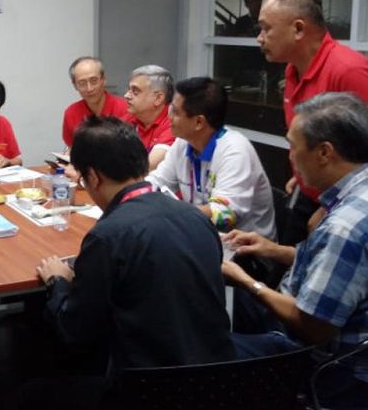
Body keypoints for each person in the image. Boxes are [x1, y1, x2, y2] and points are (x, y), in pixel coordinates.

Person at [29, 116, 233, 409]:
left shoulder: (108, 235)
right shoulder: (196, 218)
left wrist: (58, 281)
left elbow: (74, 330)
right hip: (221, 381)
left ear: (94, 178)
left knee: (31, 393)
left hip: (149, 390)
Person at [221, 92, 368, 409]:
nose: (290, 156)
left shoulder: (344, 226)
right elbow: (343, 271)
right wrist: (274, 250)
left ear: (325, 153)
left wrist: (247, 281)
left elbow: (315, 327)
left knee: (200, 347)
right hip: (315, 319)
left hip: (326, 363)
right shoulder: (359, 192)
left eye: (294, 145)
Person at [257, 0, 368, 244]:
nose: (259, 38)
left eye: (266, 28)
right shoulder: (292, 69)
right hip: (310, 192)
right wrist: (302, 172)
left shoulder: (348, 71)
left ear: (298, 29)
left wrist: (332, 207)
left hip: (342, 208)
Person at [147, 77, 276, 240]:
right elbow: (158, 181)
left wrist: (173, 213)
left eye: (175, 112)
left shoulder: (235, 150)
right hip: (201, 237)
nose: (169, 117)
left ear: (199, 122)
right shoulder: (183, 143)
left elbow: (225, 216)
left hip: (246, 251)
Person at [61, 56, 129, 149]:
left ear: (104, 80)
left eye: (94, 81)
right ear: (75, 85)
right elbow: (71, 147)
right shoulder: (71, 112)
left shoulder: (126, 108)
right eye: (82, 83)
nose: (89, 88)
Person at [123, 65, 175, 170]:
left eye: (135, 92)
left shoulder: (174, 123)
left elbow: (148, 167)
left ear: (158, 98)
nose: (126, 95)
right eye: (129, 90)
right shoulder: (129, 119)